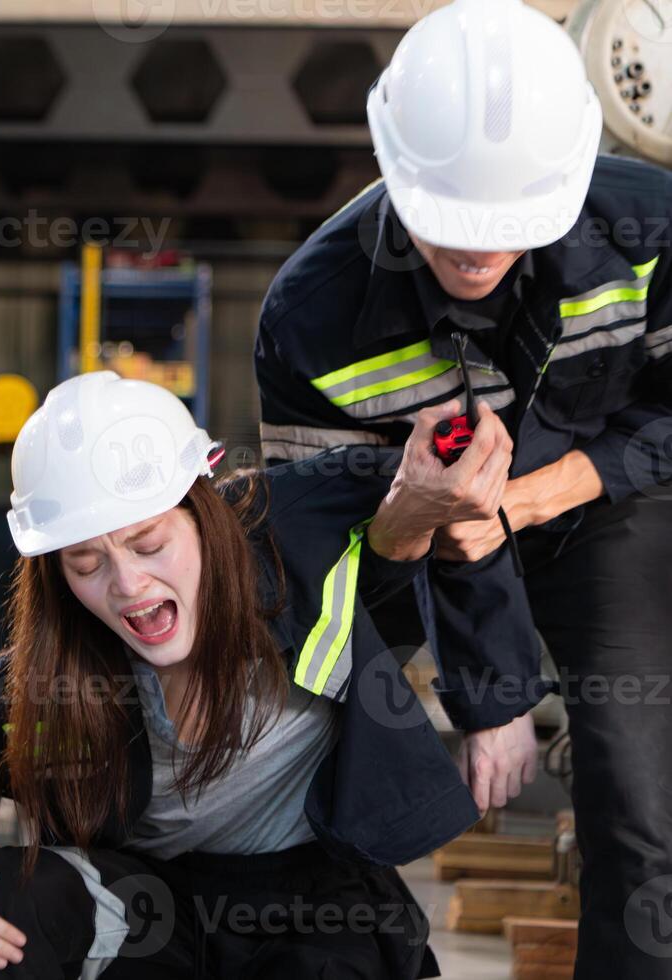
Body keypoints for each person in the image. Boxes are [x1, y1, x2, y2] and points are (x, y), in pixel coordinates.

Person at [0, 370, 514, 978]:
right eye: (84, 562)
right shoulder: (47, 680)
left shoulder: (295, 542)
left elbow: (438, 492)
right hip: (141, 908)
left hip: (316, 906)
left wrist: (497, 702)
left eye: (149, 542)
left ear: (203, 514)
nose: (128, 585)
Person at [253, 0, 672, 974]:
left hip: (599, 511)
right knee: (301, 759)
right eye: (449, 228)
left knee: (643, 797)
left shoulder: (645, 231)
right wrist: (486, 692)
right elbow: (315, 549)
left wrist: (536, 495)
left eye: (507, 228)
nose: (478, 252)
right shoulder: (316, 313)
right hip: (398, 535)